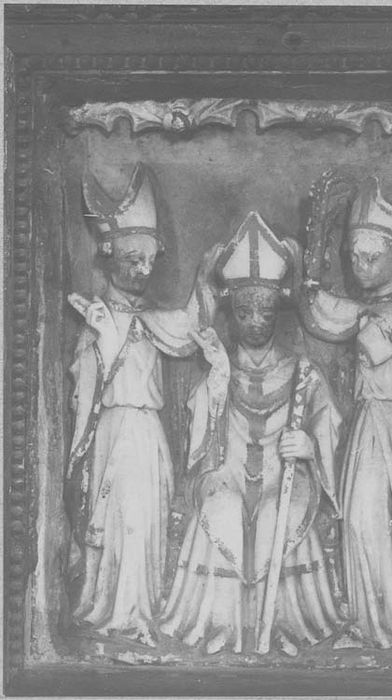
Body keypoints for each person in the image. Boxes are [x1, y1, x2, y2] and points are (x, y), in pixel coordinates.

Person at [159, 211, 346, 657]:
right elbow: (201, 433)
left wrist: (311, 447)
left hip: (286, 478)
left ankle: (285, 626)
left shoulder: (303, 371)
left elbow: (329, 424)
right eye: (245, 312)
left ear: (278, 312)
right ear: (232, 313)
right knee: (223, 509)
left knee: (274, 519)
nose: (256, 320)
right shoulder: (219, 367)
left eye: (266, 310)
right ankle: (220, 626)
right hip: (228, 472)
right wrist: (219, 377)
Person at [66, 162, 228, 646]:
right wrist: (104, 338)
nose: (142, 270)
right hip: (116, 433)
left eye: (149, 262)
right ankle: (118, 612)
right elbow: (87, 381)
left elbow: (190, 326)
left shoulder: (154, 318)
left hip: (149, 435)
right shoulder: (96, 317)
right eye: (132, 260)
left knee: (150, 522)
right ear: (109, 255)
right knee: (126, 521)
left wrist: (203, 278)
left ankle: (143, 610)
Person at [301, 176, 392, 649]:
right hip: (368, 423)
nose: (360, 267)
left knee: (374, 520)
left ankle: (390, 621)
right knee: (359, 521)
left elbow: (359, 333)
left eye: (371, 258)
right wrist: (311, 266)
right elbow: (322, 315)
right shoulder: (374, 306)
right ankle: (367, 619)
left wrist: (338, 307)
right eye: (353, 258)